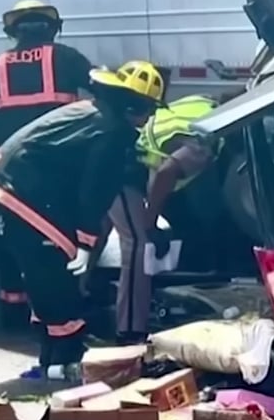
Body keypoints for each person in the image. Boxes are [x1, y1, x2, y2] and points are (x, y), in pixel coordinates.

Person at [0, 61, 163, 370]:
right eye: (150, 109)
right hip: (26, 195)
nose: (150, 117)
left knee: (43, 279)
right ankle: (67, 359)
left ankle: (51, 360)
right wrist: (87, 241)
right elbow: (96, 189)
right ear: (133, 106)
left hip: (1, 189)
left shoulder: (87, 112)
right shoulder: (113, 131)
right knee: (57, 282)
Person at [0, 0, 92, 326]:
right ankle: (61, 311)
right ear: (52, 30)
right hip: (59, 170)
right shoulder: (66, 57)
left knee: (14, 239)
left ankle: (13, 308)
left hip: (11, 173)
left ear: (14, 33)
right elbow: (103, 92)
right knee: (57, 240)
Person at [84, 93, 222, 345]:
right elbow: (166, 172)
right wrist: (150, 221)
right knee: (139, 243)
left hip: (110, 162)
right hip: (121, 173)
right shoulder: (209, 139)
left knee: (92, 238)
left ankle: (77, 303)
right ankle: (130, 330)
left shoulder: (202, 105)